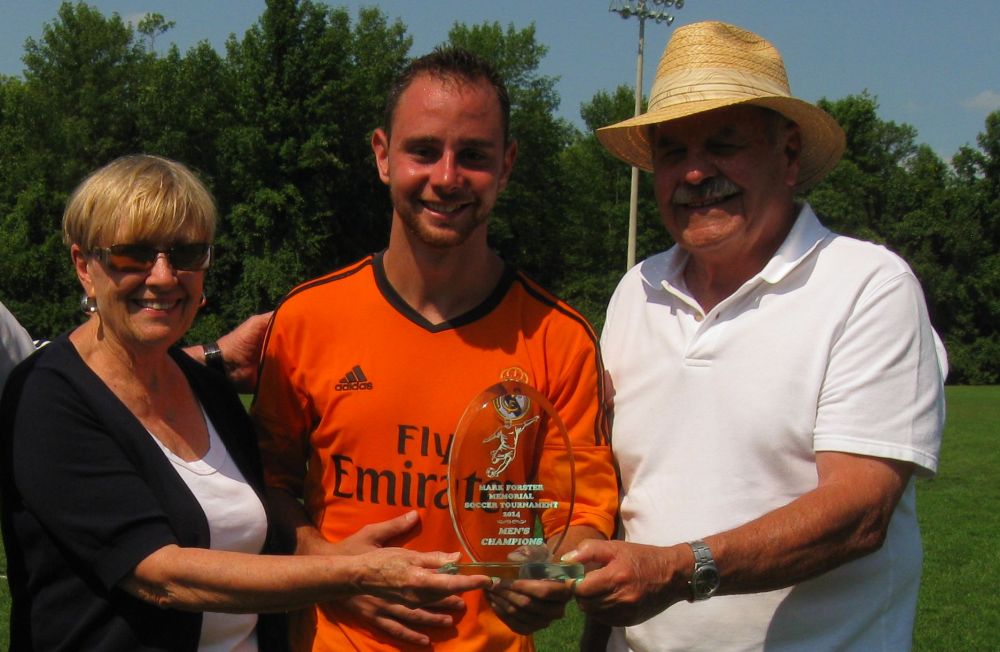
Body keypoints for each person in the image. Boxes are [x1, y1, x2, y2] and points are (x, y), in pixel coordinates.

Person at [0, 154, 492, 651]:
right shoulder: (46, 397)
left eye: (188, 254)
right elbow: (161, 574)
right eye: (134, 256)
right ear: (85, 266)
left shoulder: (205, 387)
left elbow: (264, 520)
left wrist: (328, 556)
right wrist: (351, 574)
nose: (165, 277)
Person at [564, 21, 946, 652]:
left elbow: (859, 512)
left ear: (789, 155)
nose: (693, 174)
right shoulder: (638, 290)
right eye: (672, 152)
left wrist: (680, 570)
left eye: (723, 145)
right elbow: (628, 506)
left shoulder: (867, 286)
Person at [252, 47, 619, 651]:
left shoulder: (559, 336)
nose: (446, 178)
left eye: (472, 156)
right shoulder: (308, 318)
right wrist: (333, 569)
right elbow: (266, 487)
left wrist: (547, 576)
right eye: (423, 150)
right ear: (382, 155)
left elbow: (580, 517)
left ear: (507, 165)